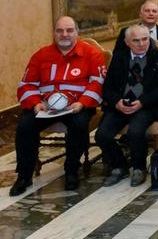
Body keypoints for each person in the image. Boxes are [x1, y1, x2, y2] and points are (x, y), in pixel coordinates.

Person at [10, 16, 106, 196]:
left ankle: (71, 171)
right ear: (54, 33)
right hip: (45, 107)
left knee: (78, 125)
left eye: (70, 30)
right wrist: (35, 104)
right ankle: (24, 175)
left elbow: (98, 83)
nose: (65, 35)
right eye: (60, 31)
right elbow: (26, 84)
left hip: (77, 106)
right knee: (24, 127)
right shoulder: (41, 55)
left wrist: (82, 103)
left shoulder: (92, 54)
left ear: (77, 32)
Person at [97, 25, 158, 187]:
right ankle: (119, 166)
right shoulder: (119, 58)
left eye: (145, 39)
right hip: (121, 105)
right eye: (136, 40)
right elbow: (108, 87)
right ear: (127, 42)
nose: (141, 44)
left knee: (135, 132)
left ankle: (139, 168)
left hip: (147, 105)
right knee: (102, 135)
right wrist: (117, 102)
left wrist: (142, 102)